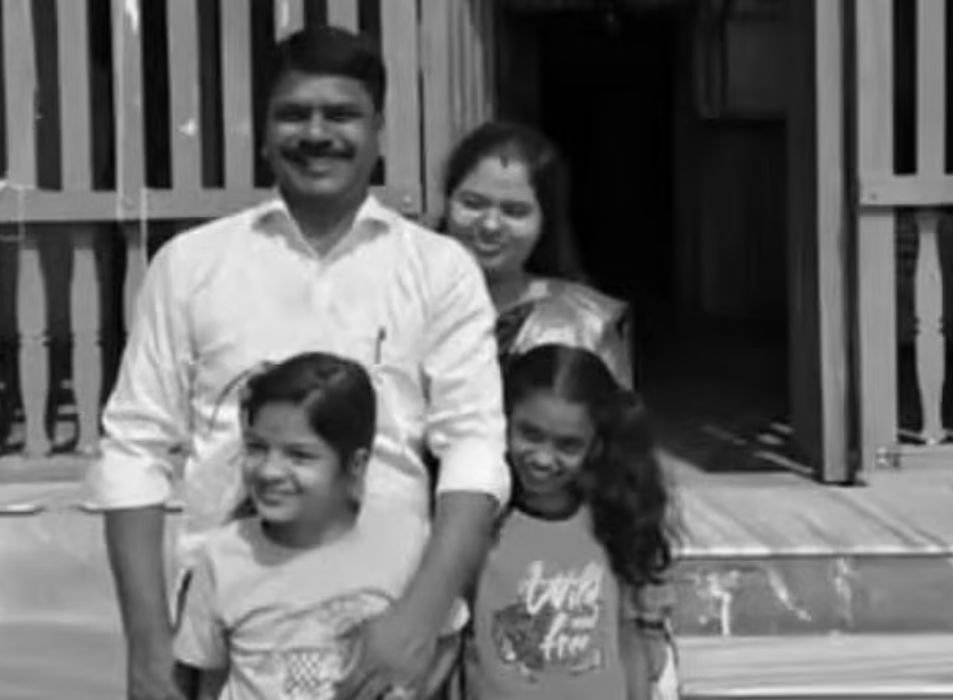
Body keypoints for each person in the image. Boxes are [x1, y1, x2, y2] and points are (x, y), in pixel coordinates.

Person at [88, 25, 508, 700]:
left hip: (386, 627)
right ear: (263, 131)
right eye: (293, 114)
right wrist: (146, 642)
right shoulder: (191, 266)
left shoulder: (438, 270)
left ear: (378, 131)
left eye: (341, 114)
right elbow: (134, 448)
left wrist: (420, 616)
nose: (316, 133)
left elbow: (474, 449)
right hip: (228, 637)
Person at [172, 353, 459, 700]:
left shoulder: (406, 542)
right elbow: (208, 681)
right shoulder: (222, 557)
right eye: (257, 448)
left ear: (356, 465)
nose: (270, 471)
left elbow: (447, 639)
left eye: (299, 455)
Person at [461, 344, 679, 700]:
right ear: (503, 421)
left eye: (567, 445)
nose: (544, 458)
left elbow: (628, 640)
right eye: (530, 434)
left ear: (595, 445)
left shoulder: (613, 521)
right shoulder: (477, 522)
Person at [441, 121, 633, 387]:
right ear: (447, 203)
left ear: (545, 220)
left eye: (514, 211)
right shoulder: (402, 299)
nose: (490, 225)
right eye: (472, 204)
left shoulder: (585, 324)